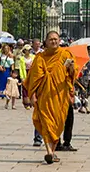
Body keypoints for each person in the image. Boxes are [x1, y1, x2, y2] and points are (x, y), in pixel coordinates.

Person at [26, 31, 75, 164]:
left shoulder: (66, 55)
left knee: (58, 124)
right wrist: (32, 95)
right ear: (46, 42)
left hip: (60, 96)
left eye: (56, 39)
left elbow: (70, 76)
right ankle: (49, 151)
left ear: (59, 41)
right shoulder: (40, 58)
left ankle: (52, 152)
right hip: (45, 96)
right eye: (51, 39)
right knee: (47, 123)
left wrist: (71, 69)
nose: (53, 41)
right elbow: (34, 79)